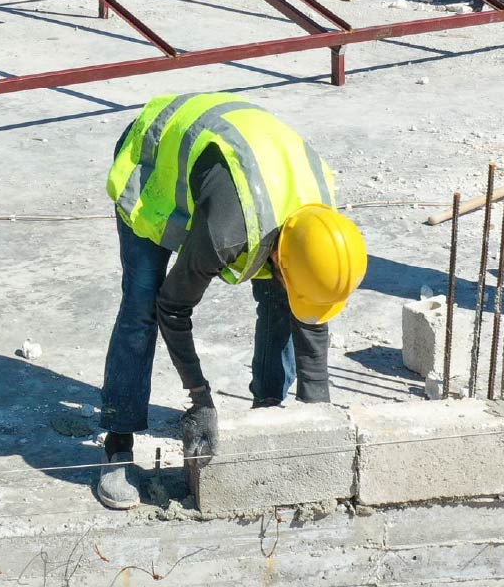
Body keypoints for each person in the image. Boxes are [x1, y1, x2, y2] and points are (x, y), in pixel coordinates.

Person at [94, 92, 366, 510]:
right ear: (282, 255)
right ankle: (117, 443)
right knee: (143, 305)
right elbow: (174, 306)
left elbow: (310, 315)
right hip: (154, 156)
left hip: (230, 168)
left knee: (280, 297)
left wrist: (316, 418)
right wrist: (199, 397)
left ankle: (268, 409)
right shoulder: (228, 232)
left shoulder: (321, 226)